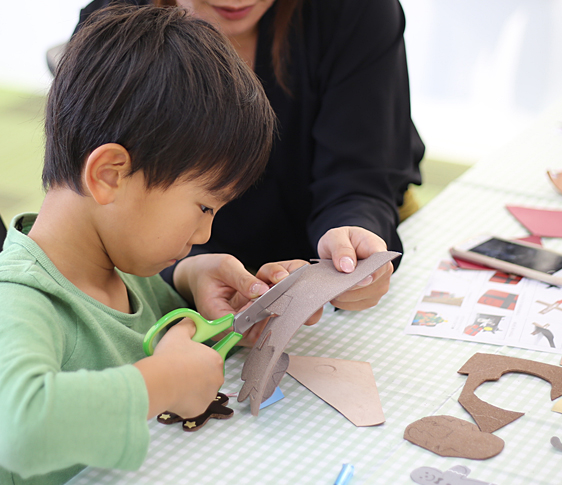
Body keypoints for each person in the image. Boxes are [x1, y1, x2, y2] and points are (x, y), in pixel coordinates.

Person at [0, 5, 297, 485]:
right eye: (203, 208)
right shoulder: (13, 299)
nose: (205, 235)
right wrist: (169, 380)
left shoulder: (124, 266)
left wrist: (192, 287)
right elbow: (19, 427)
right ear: (110, 176)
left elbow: (153, 339)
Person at [76, 0, 425, 319]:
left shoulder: (356, 11)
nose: (236, 0)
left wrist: (355, 237)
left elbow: (362, 176)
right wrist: (184, 273)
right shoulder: (114, 32)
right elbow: (99, 224)